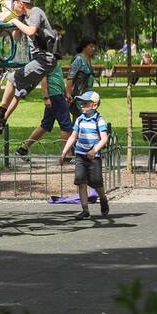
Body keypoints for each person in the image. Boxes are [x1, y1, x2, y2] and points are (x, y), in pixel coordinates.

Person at [0, 0, 58, 131]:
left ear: (20, 3)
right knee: (18, 90)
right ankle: (1, 121)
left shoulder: (35, 12)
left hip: (44, 59)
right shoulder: (24, 17)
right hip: (40, 60)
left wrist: (15, 20)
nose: (12, 6)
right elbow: (15, 36)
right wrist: (2, 24)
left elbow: (31, 31)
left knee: (12, 78)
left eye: (13, 3)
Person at [59, 91, 111, 219]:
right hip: (80, 155)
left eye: (85, 103)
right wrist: (65, 151)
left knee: (97, 183)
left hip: (94, 157)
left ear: (94, 105)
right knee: (81, 182)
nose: (82, 105)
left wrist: (94, 151)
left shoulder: (99, 120)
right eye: (81, 103)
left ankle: (103, 199)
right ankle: (85, 210)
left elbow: (104, 139)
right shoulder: (79, 120)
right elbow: (73, 136)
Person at [16, 61, 72, 157]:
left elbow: (58, 78)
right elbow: (43, 79)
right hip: (55, 96)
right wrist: (46, 97)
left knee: (45, 125)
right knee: (66, 125)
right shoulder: (47, 60)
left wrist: (66, 93)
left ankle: (23, 149)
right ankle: (67, 154)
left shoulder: (54, 60)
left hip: (58, 95)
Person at [66, 41, 98, 117]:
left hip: (87, 95)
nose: (93, 49)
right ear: (84, 47)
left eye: (94, 47)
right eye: (91, 46)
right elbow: (70, 77)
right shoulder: (79, 59)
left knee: (85, 119)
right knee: (80, 119)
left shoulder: (88, 59)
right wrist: (68, 94)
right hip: (78, 96)